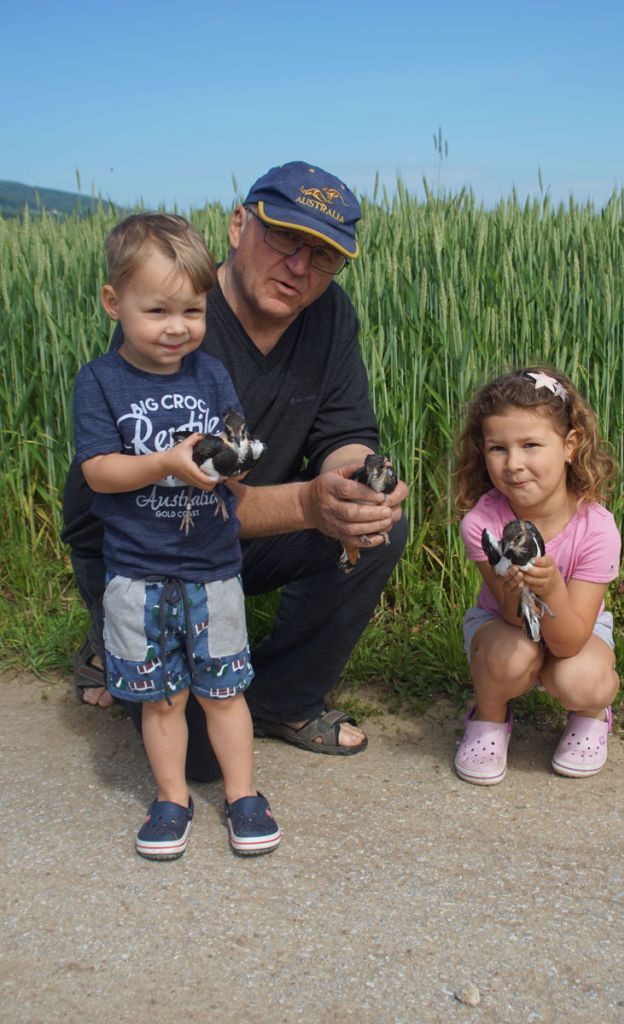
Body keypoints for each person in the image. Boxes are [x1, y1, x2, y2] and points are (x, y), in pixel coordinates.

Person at [62, 161, 409, 778]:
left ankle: (282, 698)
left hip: (232, 538)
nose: (301, 267)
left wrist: (358, 481)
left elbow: (346, 434)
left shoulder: (329, 317)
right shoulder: (179, 323)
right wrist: (308, 506)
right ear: (238, 225)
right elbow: (178, 502)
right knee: (196, 763)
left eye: (324, 256)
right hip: (144, 547)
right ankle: (114, 637)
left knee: (378, 525)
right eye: (285, 239)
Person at [73, 212, 281, 858]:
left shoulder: (210, 375)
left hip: (212, 566)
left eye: (191, 311)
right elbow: (100, 473)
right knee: (163, 700)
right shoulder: (100, 381)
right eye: (157, 310)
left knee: (224, 690)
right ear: (114, 303)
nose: (176, 328)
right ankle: (171, 798)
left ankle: (244, 794)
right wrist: (166, 462)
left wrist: (237, 459)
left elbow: (232, 449)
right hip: (136, 570)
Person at [452, 367, 620, 785]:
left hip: (577, 630)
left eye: (531, 445)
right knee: (511, 657)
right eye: (498, 448)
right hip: (504, 624)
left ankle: (590, 715)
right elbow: (514, 619)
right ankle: (490, 716)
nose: (514, 464)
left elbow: (568, 639)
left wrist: (550, 588)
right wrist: (516, 590)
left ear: (569, 445)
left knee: (583, 678)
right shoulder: (481, 525)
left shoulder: (597, 528)